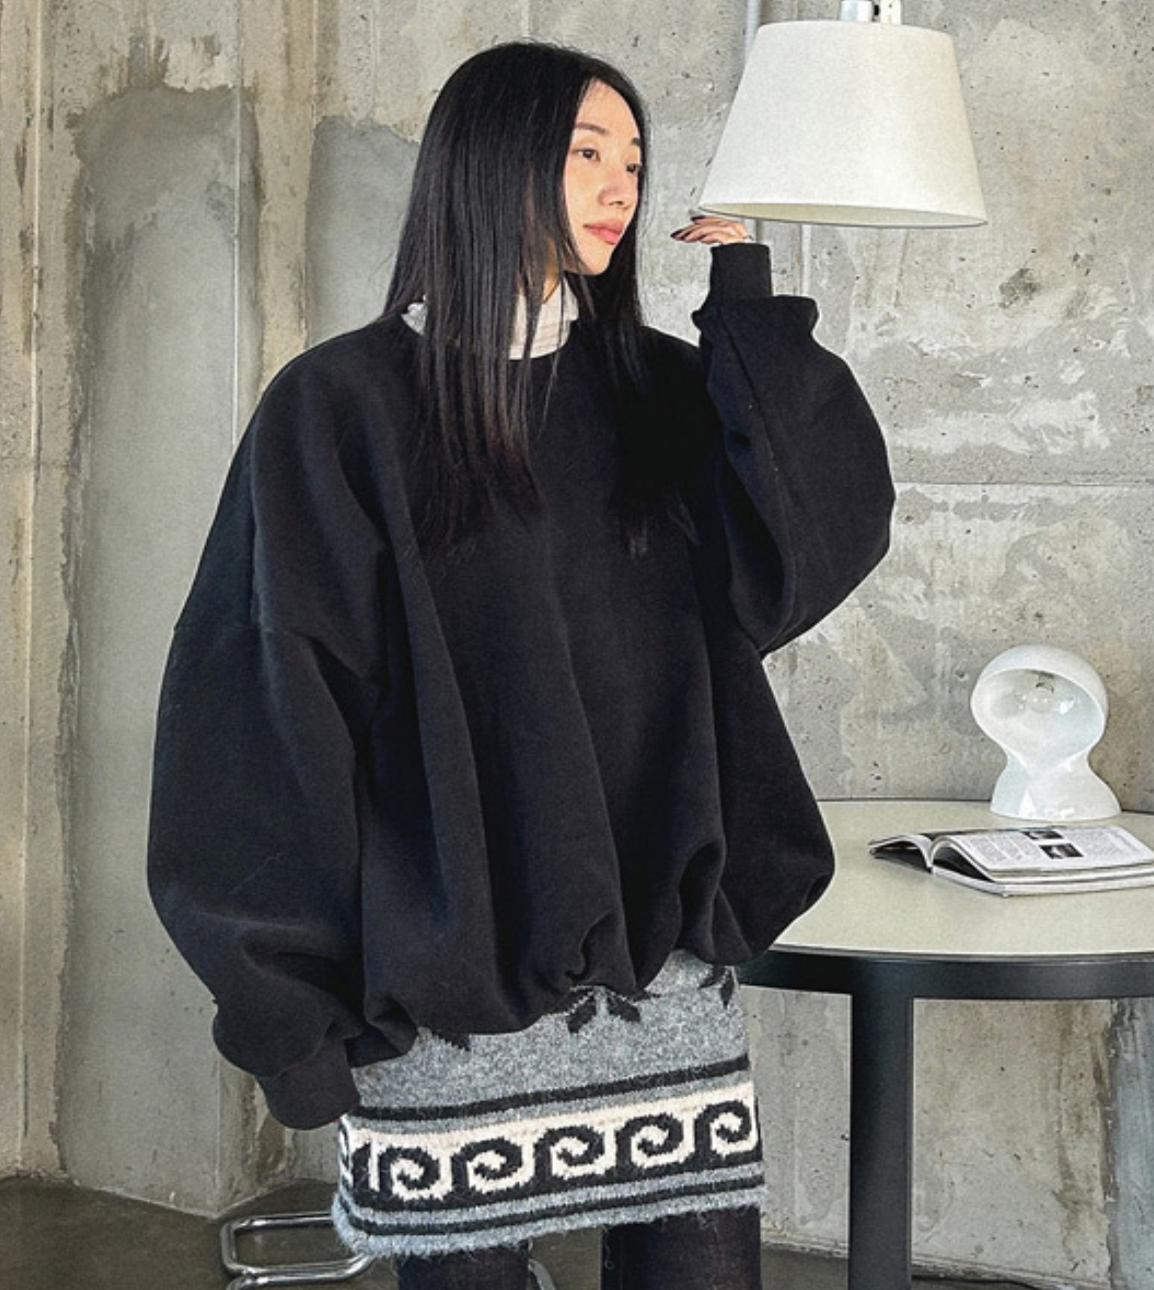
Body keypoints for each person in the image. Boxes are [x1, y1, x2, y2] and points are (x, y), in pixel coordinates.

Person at [147, 40, 894, 1290]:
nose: (619, 187)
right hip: (443, 999)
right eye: (586, 152)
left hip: (664, 987)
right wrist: (290, 1015)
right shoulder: (341, 408)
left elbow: (815, 543)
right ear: (490, 163)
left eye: (634, 161)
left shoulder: (656, 391)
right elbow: (263, 716)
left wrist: (749, 314)